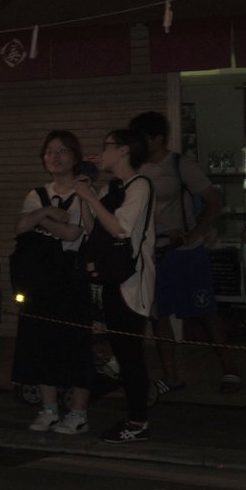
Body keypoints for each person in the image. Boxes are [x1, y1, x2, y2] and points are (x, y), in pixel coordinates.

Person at [128, 111, 241, 395]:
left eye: (141, 138)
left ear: (157, 138)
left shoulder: (179, 165)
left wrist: (196, 233)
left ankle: (230, 368)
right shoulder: (134, 166)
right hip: (152, 251)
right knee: (159, 314)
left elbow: (213, 201)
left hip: (185, 250)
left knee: (205, 310)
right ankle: (171, 376)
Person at [75, 130, 156, 443]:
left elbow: (121, 228)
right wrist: (86, 196)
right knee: (121, 353)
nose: (101, 152)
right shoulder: (113, 187)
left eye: (106, 146)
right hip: (112, 278)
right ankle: (132, 414)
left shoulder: (140, 185)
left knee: (130, 355)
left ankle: (138, 421)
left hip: (132, 283)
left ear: (124, 150)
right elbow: (93, 228)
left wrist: (90, 197)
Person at [13, 131, 96, 434]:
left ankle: (78, 413)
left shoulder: (86, 191)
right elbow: (21, 226)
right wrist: (48, 212)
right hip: (41, 280)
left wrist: (39, 220)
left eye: (62, 151)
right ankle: (49, 408)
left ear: (75, 156)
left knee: (76, 343)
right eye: (50, 152)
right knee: (40, 341)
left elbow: (74, 233)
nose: (55, 157)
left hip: (72, 279)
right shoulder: (37, 194)